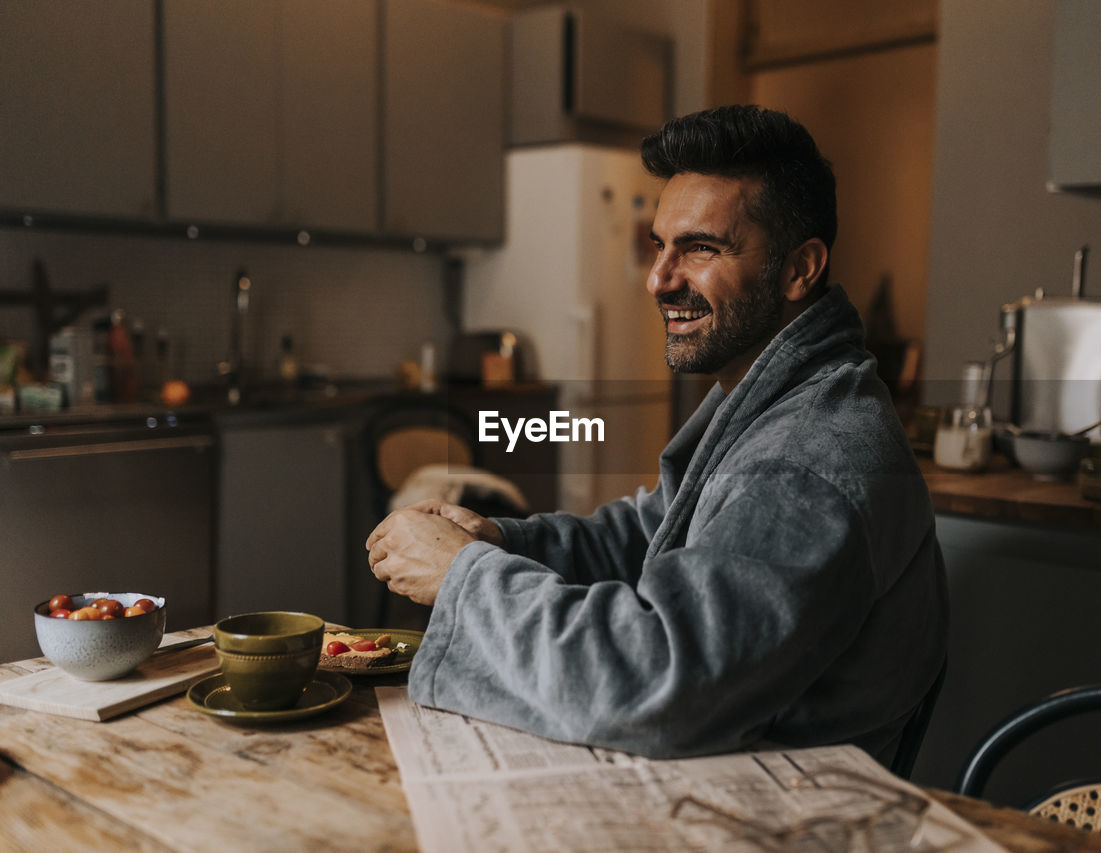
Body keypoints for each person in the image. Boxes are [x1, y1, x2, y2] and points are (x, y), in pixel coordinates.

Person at [367, 105, 948, 764]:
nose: (659, 279)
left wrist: (463, 577)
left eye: (700, 248)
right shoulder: (773, 397)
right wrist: (499, 539)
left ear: (798, 270)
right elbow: (655, 533)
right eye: (659, 246)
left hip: (782, 817)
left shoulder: (811, 460)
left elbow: (661, 681)